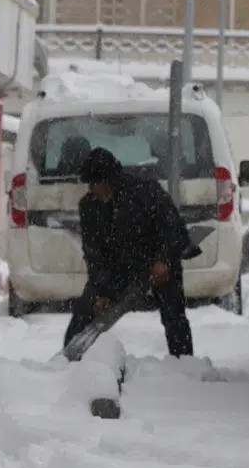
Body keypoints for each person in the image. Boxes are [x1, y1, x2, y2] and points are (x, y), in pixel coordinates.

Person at [64, 147, 195, 357]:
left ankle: (184, 361)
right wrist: (100, 292)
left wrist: (163, 260)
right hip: (120, 268)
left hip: (158, 260)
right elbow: (94, 254)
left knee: (173, 314)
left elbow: (173, 229)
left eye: (95, 183)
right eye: (89, 184)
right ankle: (69, 359)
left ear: (109, 180)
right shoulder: (90, 206)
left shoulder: (146, 192)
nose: (91, 189)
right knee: (85, 309)